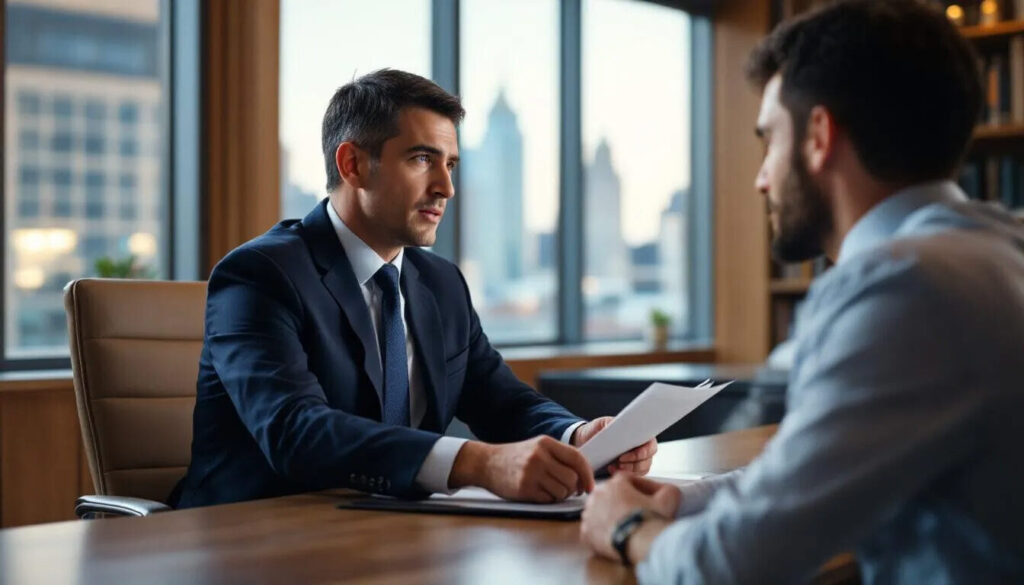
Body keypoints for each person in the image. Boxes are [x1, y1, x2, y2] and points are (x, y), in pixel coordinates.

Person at [580, 1, 1024, 583]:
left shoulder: (899, 289)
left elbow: (734, 569)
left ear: (819, 136)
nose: (761, 177)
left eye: (769, 139)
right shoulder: (1001, 249)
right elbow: (816, 473)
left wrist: (627, 527)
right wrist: (681, 500)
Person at [171, 69, 655, 508]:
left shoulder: (440, 284)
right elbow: (296, 432)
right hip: (250, 540)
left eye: (452, 165)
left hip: (389, 536)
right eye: (423, 159)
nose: (446, 187)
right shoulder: (261, 274)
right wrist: (479, 463)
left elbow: (503, 402)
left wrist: (577, 437)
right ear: (353, 164)